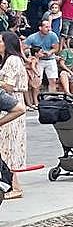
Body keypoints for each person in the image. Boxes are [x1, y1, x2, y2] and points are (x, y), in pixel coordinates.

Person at [0, 32, 29, 198]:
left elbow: (10, 85)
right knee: (5, 145)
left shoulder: (12, 59)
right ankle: (10, 183)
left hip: (11, 103)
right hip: (8, 102)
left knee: (9, 145)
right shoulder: (5, 59)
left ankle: (15, 187)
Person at [24, 17, 61, 95]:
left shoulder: (53, 35)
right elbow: (22, 47)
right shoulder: (32, 37)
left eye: (49, 27)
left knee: (53, 80)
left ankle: (52, 99)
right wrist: (26, 59)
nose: (49, 29)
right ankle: (37, 100)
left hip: (50, 59)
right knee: (38, 81)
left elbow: (56, 48)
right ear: (40, 28)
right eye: (46, 27)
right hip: (38, 60)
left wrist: (50, 52)